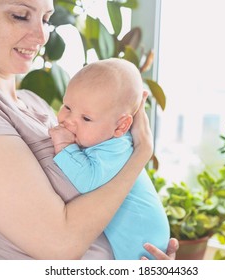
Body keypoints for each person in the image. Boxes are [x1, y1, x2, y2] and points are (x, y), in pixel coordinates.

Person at [0, 0, 178, 259]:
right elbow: (60, 245)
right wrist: (141, 154)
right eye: (20, 15)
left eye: (46, 19)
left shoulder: (39, 105)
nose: (41, 36)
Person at [49, 58, 170, 260]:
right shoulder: (103, 138)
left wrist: (64, 147)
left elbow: (88, 182)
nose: (68, 120)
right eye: (67, 106)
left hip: (141, 242)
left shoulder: (117, 148)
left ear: (121, 127)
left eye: (86, 118)